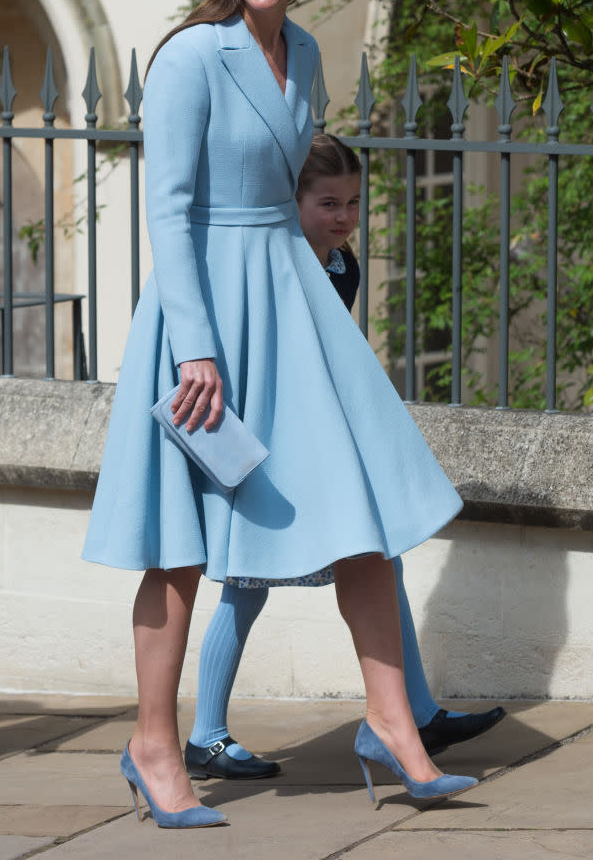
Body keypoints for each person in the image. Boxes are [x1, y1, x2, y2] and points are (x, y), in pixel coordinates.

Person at [82, 0, 479, 830]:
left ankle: (395, 729)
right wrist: (197, 351)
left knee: (363, 519)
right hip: (204, 314)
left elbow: (285, 191)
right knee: (178, 553)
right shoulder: (189, 57)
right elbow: (170, 212)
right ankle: (153, 747)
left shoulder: (303, 52)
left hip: (288, 299)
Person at [184, 134, 505, 781]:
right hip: (266, 448)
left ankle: (414, 712)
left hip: (317, 442)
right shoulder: (263, 265)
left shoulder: (342, 267)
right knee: (244, 585)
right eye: (327, 202)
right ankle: (204, 736)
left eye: (353, 202)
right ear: (289, 202)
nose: (343, 216)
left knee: (380, 558)